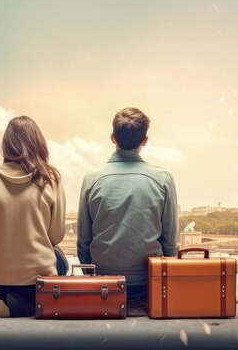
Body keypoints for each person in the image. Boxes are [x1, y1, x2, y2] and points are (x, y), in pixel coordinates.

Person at [77, 107, 180, 315]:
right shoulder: (163, 179)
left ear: (112, 137)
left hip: (105, 286)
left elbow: (83, 243)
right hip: (148, 286)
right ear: (145, 141)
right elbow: (170, 244)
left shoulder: (91, 179)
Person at [0, 116, 67, 317]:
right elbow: (56, 236)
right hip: (40, 280)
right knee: (61, 260)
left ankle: (4, 302)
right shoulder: (51, 179)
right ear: (38, 143)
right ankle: (30, 304)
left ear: (6, 145)